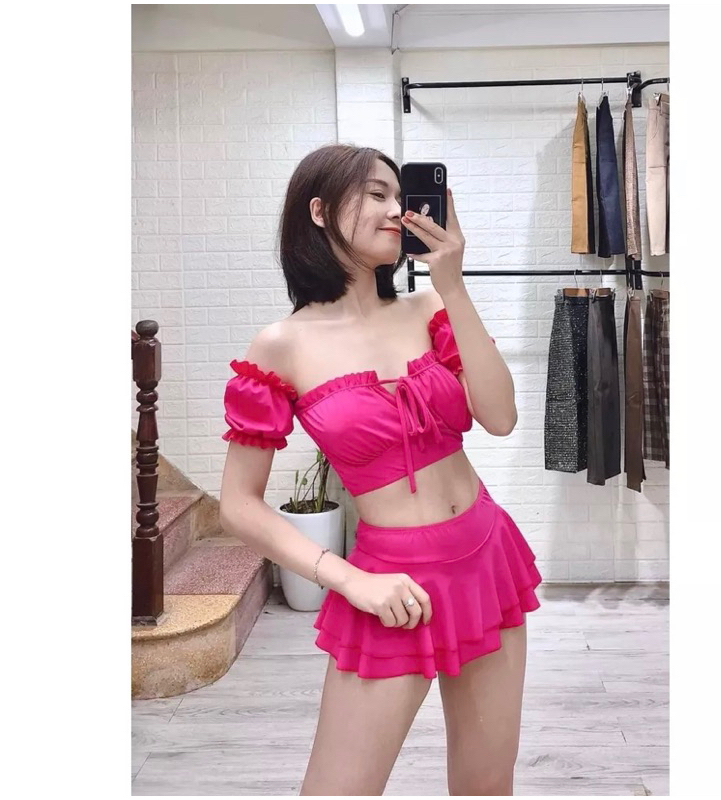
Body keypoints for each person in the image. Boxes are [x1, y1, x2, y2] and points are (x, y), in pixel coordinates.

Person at [219, 144, 543, 796]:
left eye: (400, 194)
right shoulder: (282, 346)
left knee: (487, 785)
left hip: (486, 557)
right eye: (376, 193)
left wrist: (452, 284)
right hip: (390, 583)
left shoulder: (429, 309)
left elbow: (501, 416)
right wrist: (347, 580)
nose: (397, 209)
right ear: (319, 211)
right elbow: (238, 503)